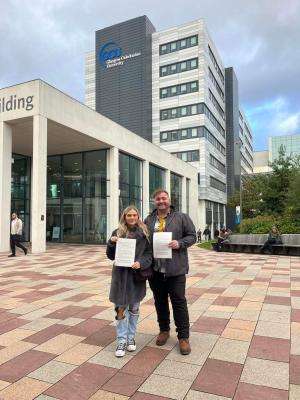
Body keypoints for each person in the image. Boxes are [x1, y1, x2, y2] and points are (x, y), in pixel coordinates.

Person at [145, 189, 196, 355]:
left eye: (164, 198)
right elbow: (142, 240)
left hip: (175, 269)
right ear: (154, 201)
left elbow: (192, 236)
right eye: (158, 199)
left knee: (179, 302)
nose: (161, 201)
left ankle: (183, 337)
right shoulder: (149, 219)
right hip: (155, 270)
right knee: (160, 301)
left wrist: (179, 243)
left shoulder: (181, 217)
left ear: (169, 200)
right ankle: (164, 330)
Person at [106, 206, 152, 358]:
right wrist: (111, 243)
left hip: (135, 277)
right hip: (120, 276)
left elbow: (149, 254)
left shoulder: (144, 233)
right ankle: (121, 340)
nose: (132, 217)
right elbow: (111, 256)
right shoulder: (118, 232)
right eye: (129, 215)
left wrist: (141, 263)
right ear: (124, 217)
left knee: (134, 309)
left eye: (134, 215)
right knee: (120, 309)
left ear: (138, 216)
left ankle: (131, 337)